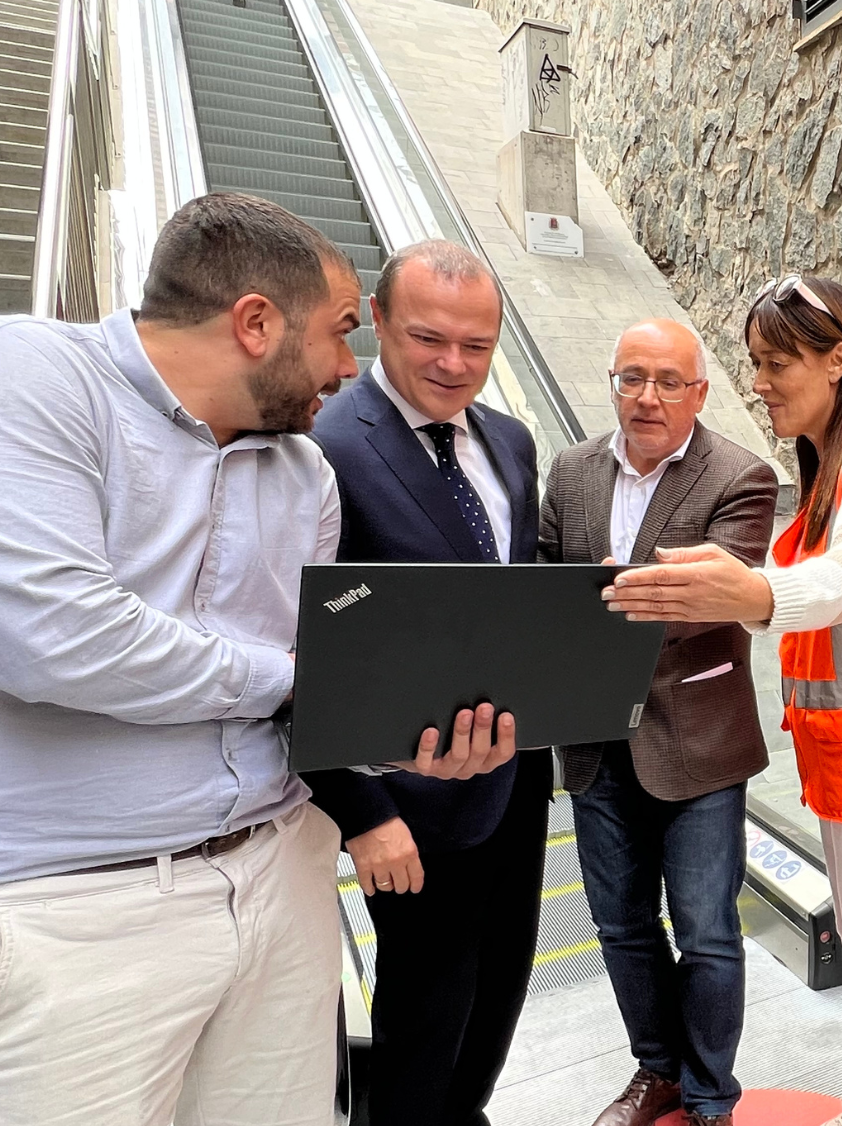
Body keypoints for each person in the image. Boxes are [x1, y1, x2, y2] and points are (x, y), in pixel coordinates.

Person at [0, 192, 508, 1125]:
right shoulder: (9, 374)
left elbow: (312, 673)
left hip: (278, 876)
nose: (348, 367)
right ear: (255, 323)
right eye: (341, 332)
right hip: (60, 912)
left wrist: (399, 739)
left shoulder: (305, 472)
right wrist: (307, 684)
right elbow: (57, 638)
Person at [602, 276, 842, 1126]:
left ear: (839, 360)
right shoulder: (835, 467)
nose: (760, 383)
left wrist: (753, 594)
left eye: (778, 364)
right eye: (756, 363)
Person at [303, 240, 544, 1126]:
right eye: (428, 338)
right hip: (408, 801)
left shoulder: (510, 441)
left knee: (499, 993)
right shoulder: (324, 446)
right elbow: (301, 650)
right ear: (377, 320)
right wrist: (362, 812)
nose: (453, 364)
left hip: (515, 777)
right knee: (423, 1013)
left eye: (476, 346)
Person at [538, 318, 778, 1126]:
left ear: (699, 392)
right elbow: (541, 584)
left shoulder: (741, 477)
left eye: (669, 381)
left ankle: (710, 1097)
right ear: (611, 383)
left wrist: (606, 597)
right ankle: (659, 1071)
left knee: (707, 932)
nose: (647, 396)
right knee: (620, 925)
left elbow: (715, 597)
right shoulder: (571, 472)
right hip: (594, 740)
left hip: (698, 739)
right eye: (631, 378)